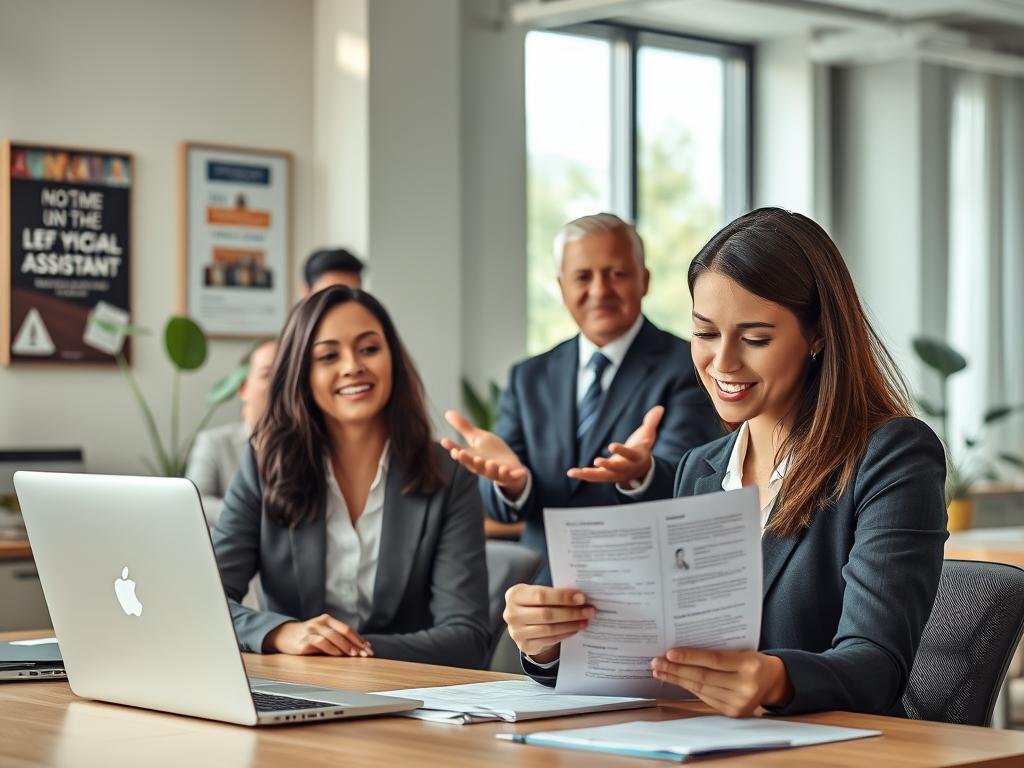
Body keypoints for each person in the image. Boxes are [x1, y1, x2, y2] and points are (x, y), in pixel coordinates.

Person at [502, 207, 947, 718]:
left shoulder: (891, 456)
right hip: (700, 743)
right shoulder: (700, 469)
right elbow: (654, 659)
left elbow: (877, 668)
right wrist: (549, 646)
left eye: (755, 338)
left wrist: (775, 679)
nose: (723, 363)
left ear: (819, 335)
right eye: (706, 334)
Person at [212, 286, 490, 668]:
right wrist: (282, 633)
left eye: (369, 349)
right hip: (294, 689)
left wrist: (341, 650)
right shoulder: (265, 465)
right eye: (328, 355)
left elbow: (466, 637)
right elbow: (207, 600)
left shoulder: (449, 475)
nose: (352, 366)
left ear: (393, 358)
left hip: (406, 697)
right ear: (301, 373)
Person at [443, 213, 720, 584]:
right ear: (561, 287)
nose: (600, 290)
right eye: (583, 277)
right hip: (544, 591)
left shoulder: (689, 364)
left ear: (645, 280)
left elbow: (689, 479)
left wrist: (642, 473)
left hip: (644, 583)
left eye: (616, 273)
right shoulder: (528, 377)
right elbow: (505, 502)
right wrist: (511, 485)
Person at [186, 338, 277, 526]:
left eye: (286, 374)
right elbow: (193, 501)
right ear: (243, 387)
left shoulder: (308, 443)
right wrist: (258, 516)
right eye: (268, 374)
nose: (280, 384)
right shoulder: (214, 442)